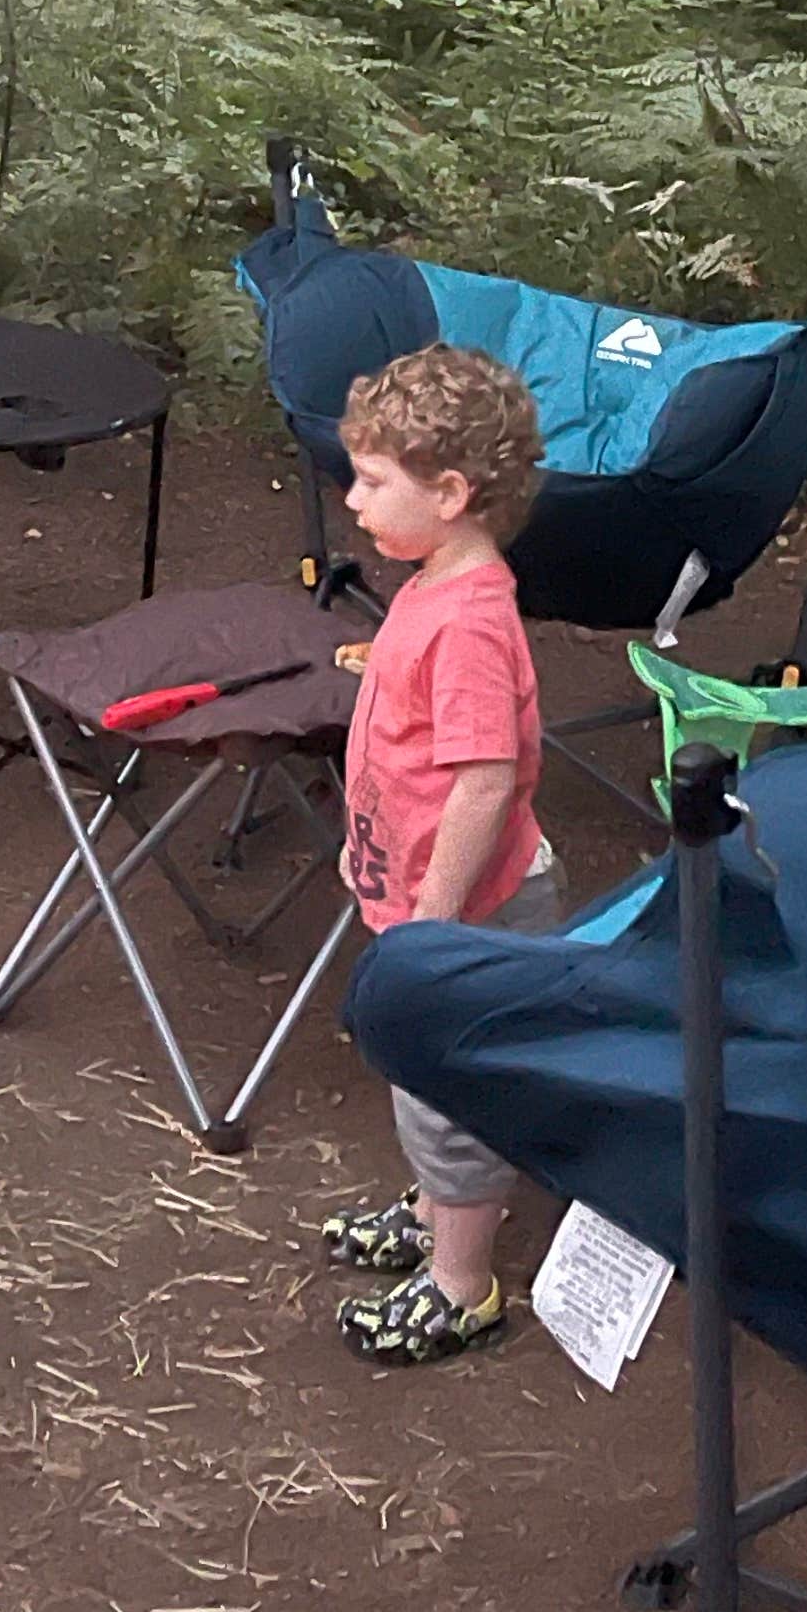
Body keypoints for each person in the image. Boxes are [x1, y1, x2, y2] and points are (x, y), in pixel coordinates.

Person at [317, 343, 562, 1365]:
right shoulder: (435, 581)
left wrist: (433, 919)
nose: (353, 500)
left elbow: (485, 779)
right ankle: (431, 1214)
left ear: (452, 492)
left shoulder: (468, 619)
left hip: (467, 910)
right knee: (422, 1079)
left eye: (375, 482)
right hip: (422, 891)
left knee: (447, 1098)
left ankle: (464, 1285)